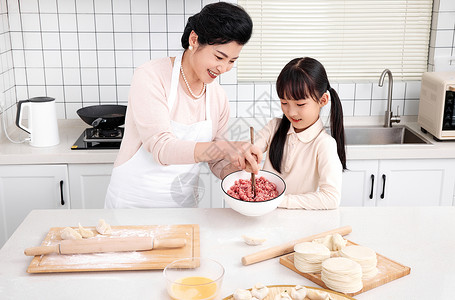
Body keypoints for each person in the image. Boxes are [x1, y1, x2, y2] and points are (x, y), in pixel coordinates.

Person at [105, 2, 261, 208]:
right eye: (219, 57)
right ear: (194, 40)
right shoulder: (151, 76)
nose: (223, 68)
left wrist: (237, 167)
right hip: (132, 204)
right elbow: (162, 148)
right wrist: (225, 148)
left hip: (183, 207)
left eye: (232, 61)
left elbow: (215, 161)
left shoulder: (218, 97)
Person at [252, 57, 346, 209]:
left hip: (297, 220)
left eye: (300, 104)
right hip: (265, 215)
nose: (291, 112)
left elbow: (331, 198)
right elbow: (254, 147)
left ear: (322, 100)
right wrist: (249, 155)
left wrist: (278, 201)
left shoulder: (324, 144)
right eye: (284, 103)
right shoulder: (274, 127)